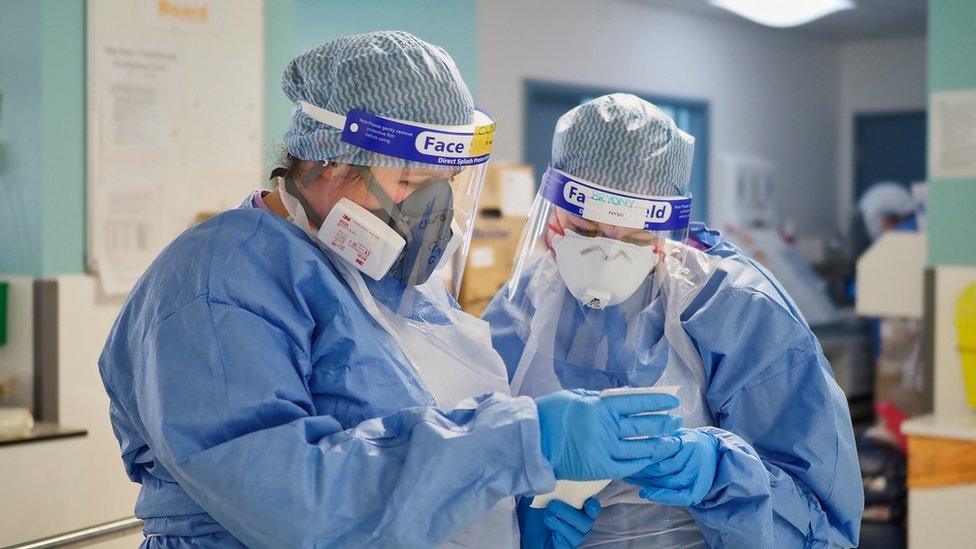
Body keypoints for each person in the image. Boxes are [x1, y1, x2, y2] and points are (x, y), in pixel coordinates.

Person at [98, 33, 682, 548]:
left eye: (446, 184)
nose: (435, 212)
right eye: (411, 181)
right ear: (330, 163)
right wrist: (521, 441)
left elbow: (416, 458)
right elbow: (293, 501)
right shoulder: (218, 283)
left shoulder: (392, 284)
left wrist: (497, 520)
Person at [483, 94, 864, 548]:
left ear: (666, 233)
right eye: (586, 231)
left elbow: (823, 527)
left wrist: (723, 476)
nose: (606, 253)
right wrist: (516, 526)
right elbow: (475, 468)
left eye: (635, 236)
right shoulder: (518, 312)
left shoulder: (734, 310)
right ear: (553, 214)